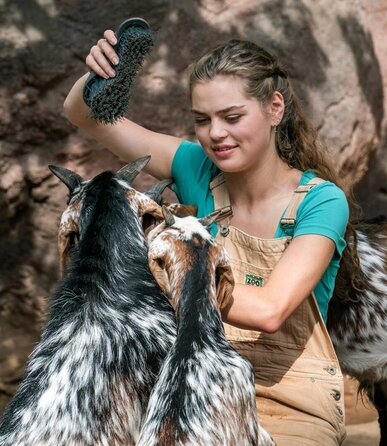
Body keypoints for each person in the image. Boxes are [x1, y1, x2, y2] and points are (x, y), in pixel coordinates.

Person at [64, 29, 361, 446]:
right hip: (195, 384)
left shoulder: (322, 202)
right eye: (202, 120)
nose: (215, 133)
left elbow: (271, 311)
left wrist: (166, 276)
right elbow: (84, 115)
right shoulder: (195, 167)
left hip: (291, 399)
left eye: (232, 117)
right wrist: (97, 76)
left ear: (275, 108)